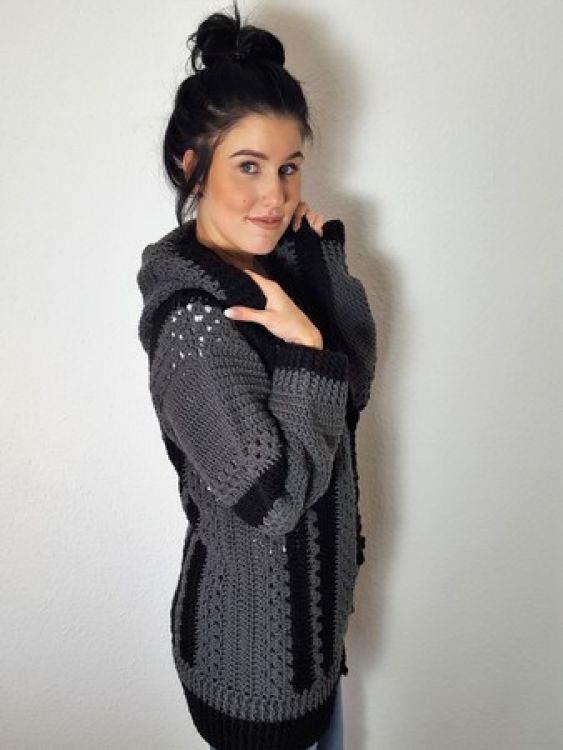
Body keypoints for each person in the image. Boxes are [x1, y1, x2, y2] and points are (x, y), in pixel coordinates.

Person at [136, 3, 377, 749]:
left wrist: (322, 267)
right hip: (251, 671)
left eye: (287, 167)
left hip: (314, 639)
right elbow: (272, 499)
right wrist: (305, 353)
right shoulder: (193, 321)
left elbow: (354, 386)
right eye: (248, 166)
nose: (274, 195)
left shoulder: (276, 275)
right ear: (192, 167)